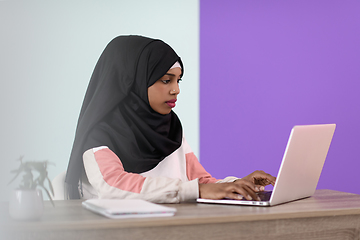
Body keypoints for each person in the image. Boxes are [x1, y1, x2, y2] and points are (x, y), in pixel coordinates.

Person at [65, 35, 276, 202]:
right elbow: (112, 185)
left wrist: (238, 184)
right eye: (166, 80)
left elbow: (199, 181)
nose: (176, 90)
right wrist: (196, 191)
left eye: (178, 80)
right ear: (133, 81)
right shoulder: (100, 134)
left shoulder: (170, 127)